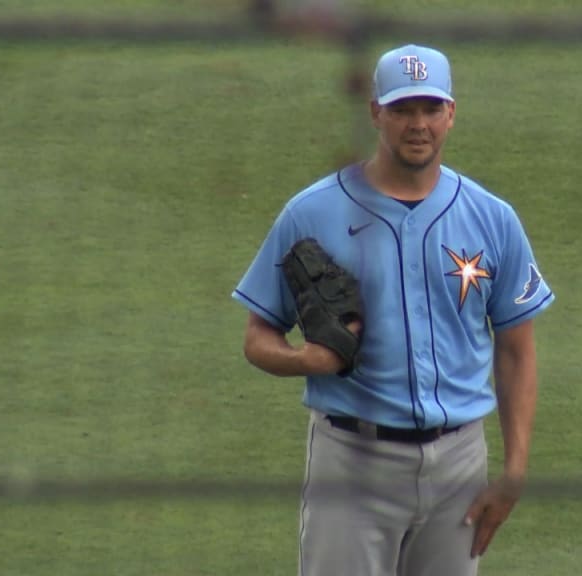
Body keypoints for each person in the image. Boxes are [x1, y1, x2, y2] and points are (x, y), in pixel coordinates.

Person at [231, 43, 555, 576]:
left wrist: (515, 468)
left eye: (431, 109)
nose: (418, 124)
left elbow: (517, 350)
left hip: (459, 464)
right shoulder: (311, 212)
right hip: (352, 460)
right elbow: (256, 337)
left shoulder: (492, 218)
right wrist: (305, 360)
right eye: (403, 109)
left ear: (452, 113)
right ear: (376, 112)